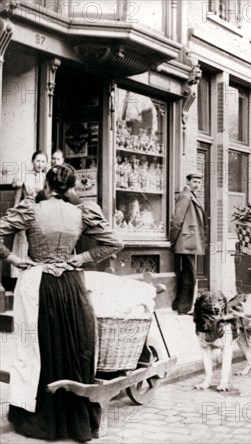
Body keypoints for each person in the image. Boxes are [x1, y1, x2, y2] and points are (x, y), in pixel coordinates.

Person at [0, 164, 123, 442]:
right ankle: (73, 418)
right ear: (71, 189)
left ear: (46, 185)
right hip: (71, 285)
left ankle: (38, 417)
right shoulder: (82, 211)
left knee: (36, 348)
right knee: (73, 346)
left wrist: (13, 259)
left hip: (37, 284)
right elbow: (115, 242)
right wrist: (79, 259)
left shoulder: (30, 209)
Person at [170, 172, 207, 315]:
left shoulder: (190, 195)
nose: (197, 184)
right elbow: (177, 220)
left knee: (186, 274)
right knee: (190, 275)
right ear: (188, 182)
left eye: (199, 182)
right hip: (186, 241)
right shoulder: (185, 196)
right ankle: (184, 308)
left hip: (189, 240)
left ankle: (180, 305)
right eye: (194, 181)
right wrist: (173, 240)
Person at [11, 151, 47, 278]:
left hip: (41, 214)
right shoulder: (24, 175)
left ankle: (38, 275)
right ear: (33, 161)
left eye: (43, 161)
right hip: (25, 213)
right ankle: (19, 275)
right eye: (38, 161)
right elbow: (18, 196)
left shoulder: (47, 178)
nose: (40, 164)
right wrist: (15, 214)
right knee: (22, 243)